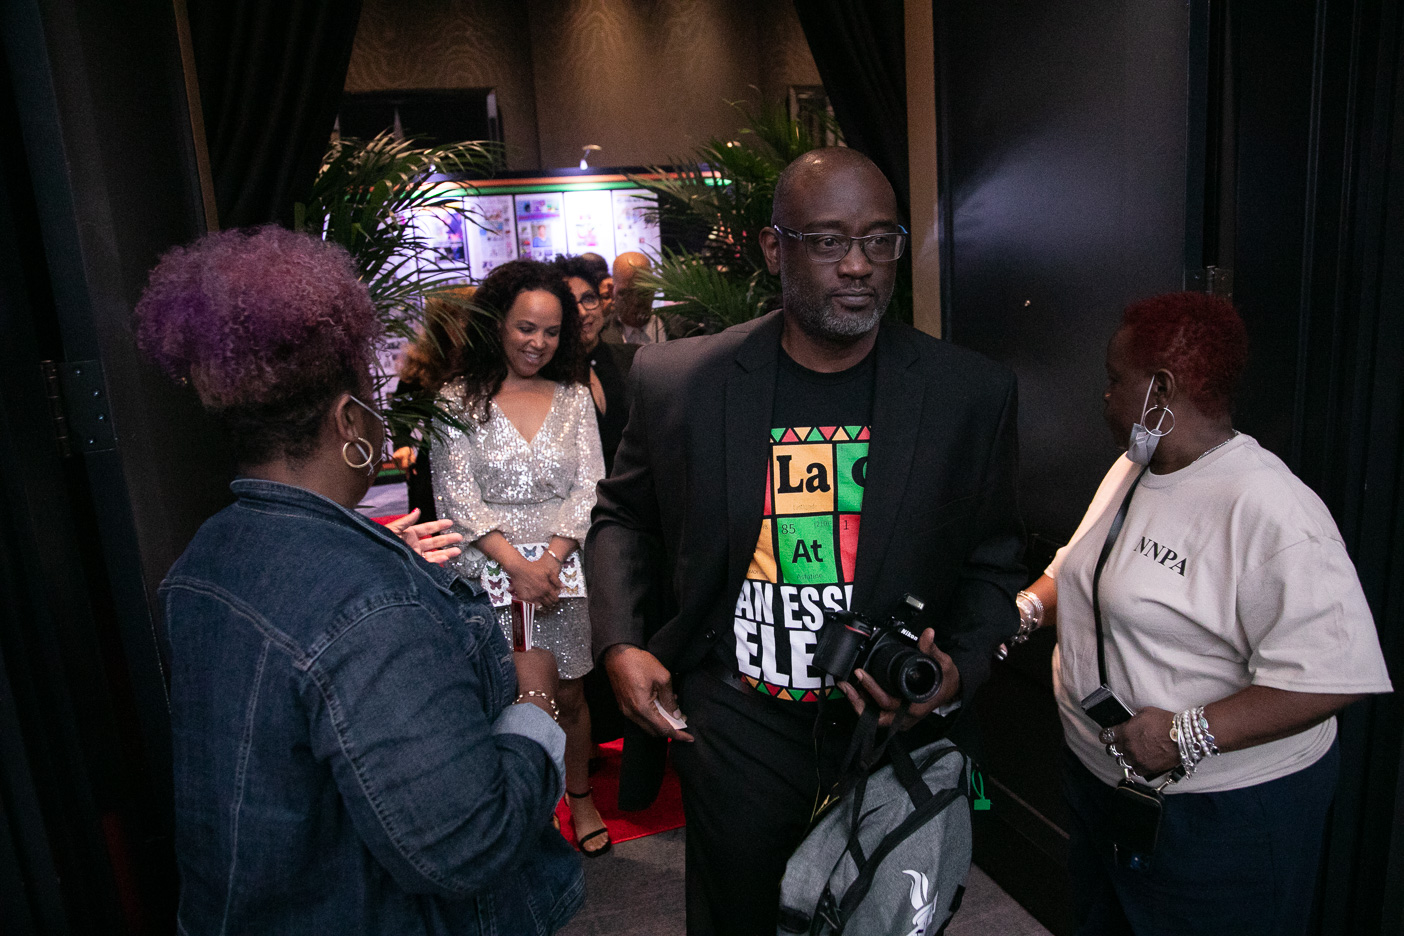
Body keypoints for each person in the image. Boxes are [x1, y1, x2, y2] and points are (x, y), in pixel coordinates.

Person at [585, 148, 1025, 933]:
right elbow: (623, 519)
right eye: (827, 240)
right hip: (737, 730)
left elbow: (993, 561)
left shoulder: (967, 394)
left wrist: (956, 669)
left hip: (889, 736)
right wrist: (620, 642)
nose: (857, 264)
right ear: (773, 248)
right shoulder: (681, 381)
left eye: (879, 239)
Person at [133, 226, 582, 934]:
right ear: (350, 420)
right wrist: (534, 701)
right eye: (371, 396)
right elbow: (470, 842)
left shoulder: (207, 557)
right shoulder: (371, 607)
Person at [1011, 292, 1392, 935]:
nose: (1105, 394)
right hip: (1101, 783)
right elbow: (1077, 569)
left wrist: (1186, 735)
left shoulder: (1271, 508)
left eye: (1115, 379)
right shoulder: (1136, 466)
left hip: (1218, 818)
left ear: (1160, 389)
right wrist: (1018, 614)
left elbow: (1335, 676)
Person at [431, 259, 613, 857]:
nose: (538, 342)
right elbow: (456, 497)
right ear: (497, 324)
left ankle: (580, 799)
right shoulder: (455, 399)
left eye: (552, 331)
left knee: (571, 696)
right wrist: (517, 566)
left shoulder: (574, 397)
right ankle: (520, 811)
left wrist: (549, 562)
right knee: (504, 693)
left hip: (562, 572)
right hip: (486, 573)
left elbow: (590, 486)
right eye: (526, 327)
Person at [392, 286, 478, 520]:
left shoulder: (492, 363)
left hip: (484, 460)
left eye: (470, 319)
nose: (464, 327)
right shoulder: (425, 362)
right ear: (441, 325)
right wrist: (403, 444)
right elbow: (402, 411)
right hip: (436, 461)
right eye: (456, 320)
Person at [554, 254, 638, 474]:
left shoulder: (635, 360)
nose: (582, 313)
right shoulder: (548, 375)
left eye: (589, 299)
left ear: (602, 303)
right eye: (569, 304)